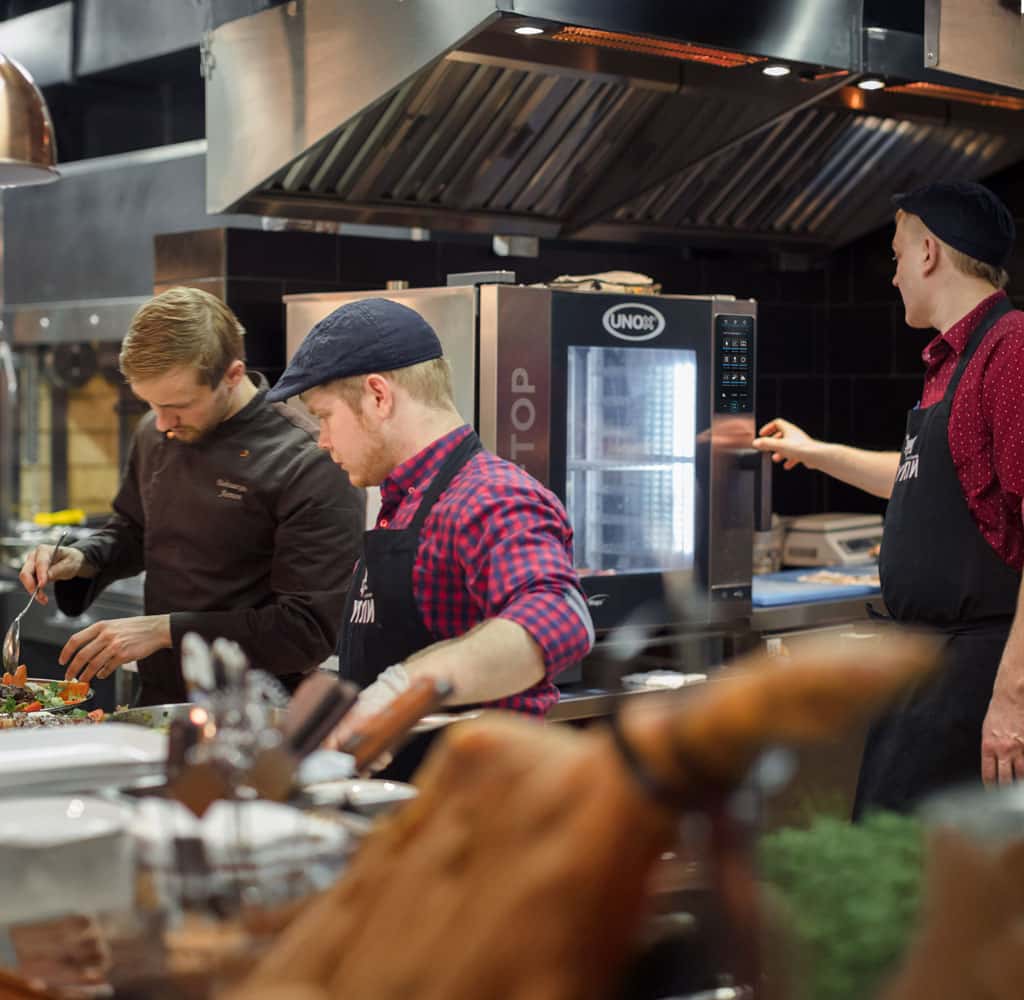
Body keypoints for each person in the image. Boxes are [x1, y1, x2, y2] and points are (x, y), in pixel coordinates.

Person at [752, 180, 1024, 814]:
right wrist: (815, 451)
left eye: (897, 255)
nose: (894, 276)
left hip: (979, 676)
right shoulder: (950, 362)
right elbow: (920, 473)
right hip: (933, 672)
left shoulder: (1010, 352)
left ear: (929, 251)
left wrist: (1012, 696)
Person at [265, 297, 594, 764]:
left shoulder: (489, 496)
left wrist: (403, 690)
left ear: (379, 396)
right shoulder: (403, 503)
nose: (321, 440)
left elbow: (559, 616)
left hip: (473, 812)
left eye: (324, 416)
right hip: (401, 800)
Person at [18, 287, 364, 705]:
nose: (162, 423)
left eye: (179, 405)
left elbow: (306, 631)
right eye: (150, 404)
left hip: (254, 713)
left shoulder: (307, 459)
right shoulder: (155, 431)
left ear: (232, 375)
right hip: (159, 699)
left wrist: (162, 630)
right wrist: (83, 558)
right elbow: (133, 530)